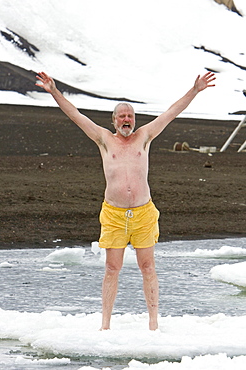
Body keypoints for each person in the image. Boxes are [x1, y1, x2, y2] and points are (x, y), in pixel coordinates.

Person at [36, 71, 216, 330]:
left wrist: (195, 89)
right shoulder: (103, 139)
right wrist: (54, 91)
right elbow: (76, 115)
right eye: (122, 116)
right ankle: (105, 325)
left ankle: (154, 323)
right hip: (114, 214)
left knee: (147, 266)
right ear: (114, 121)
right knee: (112, 267)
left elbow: (171, 112)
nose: (126, 120)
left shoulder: (144, 136)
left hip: (143, 213)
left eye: (130, 116)